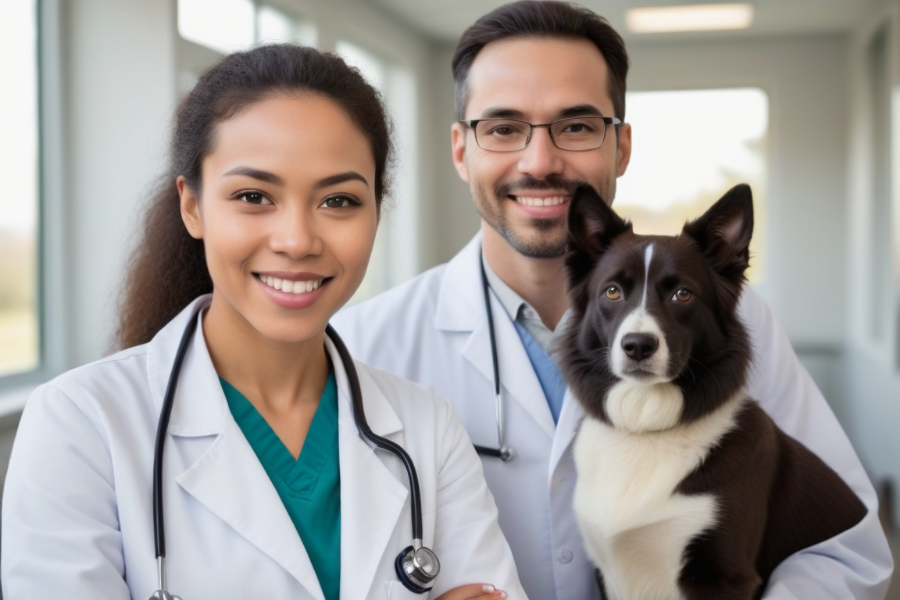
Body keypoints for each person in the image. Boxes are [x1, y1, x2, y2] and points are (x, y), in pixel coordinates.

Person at [331, 2, 894, 599]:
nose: (540, 161)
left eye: (575, 127)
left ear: (620, 146)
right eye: (502, 128)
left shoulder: (729, 326)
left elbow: (844, 546)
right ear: (461, 149)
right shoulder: (369, 343)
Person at [1, 44, 526, 600]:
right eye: (254, 196)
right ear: (193, 206)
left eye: (339, 201)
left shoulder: (427, 428)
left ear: (378, 210)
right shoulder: (81, 424)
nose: (297, 240)